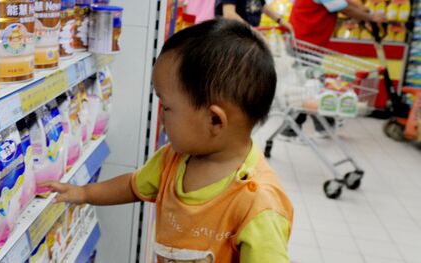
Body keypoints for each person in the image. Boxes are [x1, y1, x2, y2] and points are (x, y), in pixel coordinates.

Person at [43, 19, 293, 263]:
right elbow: (133, 186)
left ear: (215, 120)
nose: (160, 115)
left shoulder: (258, 204)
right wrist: (84, 192)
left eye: (167, 106)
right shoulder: (173, 159)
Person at [281, 0, 387, 138]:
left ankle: (324, 126)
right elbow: (345, 8)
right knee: (310, 87)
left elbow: (345, 2)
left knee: (313, 86)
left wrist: (365, 10)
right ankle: (291, 129)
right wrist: (371, 17)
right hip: (304, 42)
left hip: (307, 41)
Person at [216, 0, 293, 31]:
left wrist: (281, 21)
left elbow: (263, 6)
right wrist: (253, 31)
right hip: (235, 35)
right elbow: (229, 14)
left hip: (248, 34)